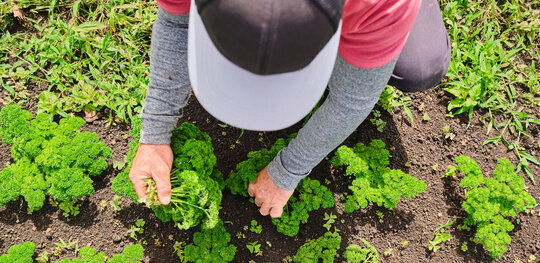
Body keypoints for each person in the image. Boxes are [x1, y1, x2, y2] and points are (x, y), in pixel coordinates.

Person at [129, 0, 451, 218]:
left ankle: (361, 46)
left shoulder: (380, 4)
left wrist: (288, 171)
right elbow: (176, 26)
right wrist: (154, 133)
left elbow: (353, 98)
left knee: (419, 67)